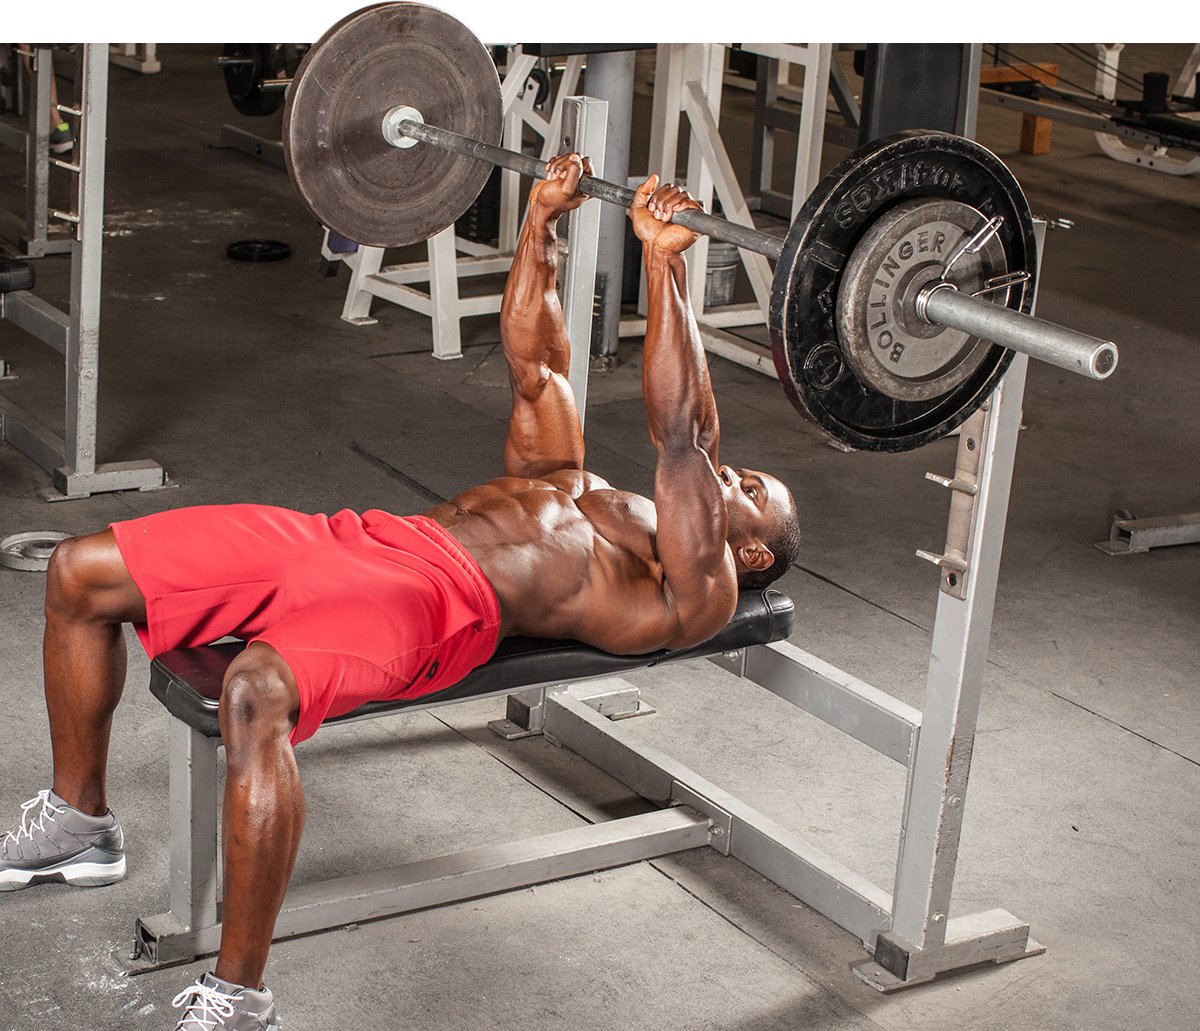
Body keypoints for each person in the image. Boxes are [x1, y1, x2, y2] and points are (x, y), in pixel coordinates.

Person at [0, 155, 800, 1030]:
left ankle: (238, 994)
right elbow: (538, 367)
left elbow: (683, 435)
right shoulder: (579, 483)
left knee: (254, 692)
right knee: (81, 570)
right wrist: (540, 223)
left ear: (753, 554)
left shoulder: (698, 585)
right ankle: (79, 824)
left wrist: (665, 263)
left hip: (440, 605)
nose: (736, 474)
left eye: (753, 489)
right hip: (365, 537)